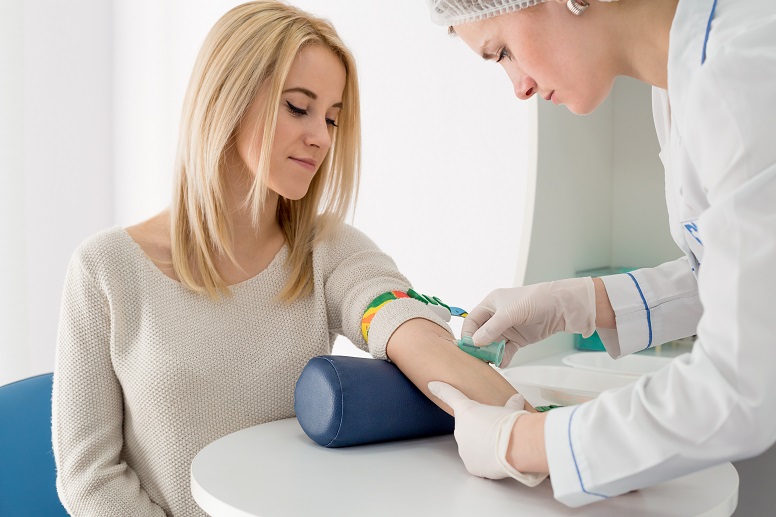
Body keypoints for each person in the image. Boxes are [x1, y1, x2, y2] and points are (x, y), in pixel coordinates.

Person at [52, 2, 519, 515]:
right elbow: (90, 479)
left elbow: (401, 322)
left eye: (333, 118)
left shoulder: (327, 251)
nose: (321, 136)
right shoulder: (105, 270)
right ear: (227, 100)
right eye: (299, 107)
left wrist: (546, 428)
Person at [424, 0, 776, 508]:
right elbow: (739, 274)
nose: (518, 87)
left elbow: (742, 383)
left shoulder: (740, 66)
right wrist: (583, 302)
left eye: (502, 50)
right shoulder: (680, 80)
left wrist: (525, 442)